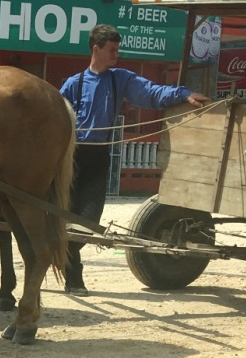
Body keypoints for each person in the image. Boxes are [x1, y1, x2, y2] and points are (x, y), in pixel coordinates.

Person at [59, 24, 210, 295]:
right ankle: (73, 278)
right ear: (96, 50)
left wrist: (183, 94)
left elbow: (152, 93)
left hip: (100, 155)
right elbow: (56, 118)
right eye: (112, 50)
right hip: (72, 155)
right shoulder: (73, 83)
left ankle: (59, 257)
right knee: (64, 215)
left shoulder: (121, 79)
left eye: (117, 49)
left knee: (89, 218)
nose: (117, 54)